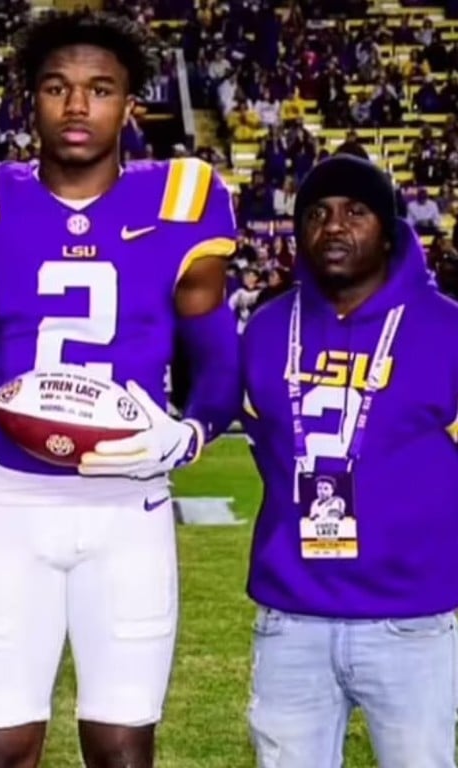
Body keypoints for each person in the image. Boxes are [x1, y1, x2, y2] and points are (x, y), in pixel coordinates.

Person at [0, 12, 242, 768]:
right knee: (0, 749)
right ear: (31, 99)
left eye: (100, 89)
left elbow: (219, 362)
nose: (78, 105)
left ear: (130, 104)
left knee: (122, 748)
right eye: (57, 87)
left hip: (130, 509)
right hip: (10, 505)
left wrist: (189, 434)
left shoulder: (183, 197)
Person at [242, 154, 458, 768]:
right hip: (291, 617)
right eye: (317, 214)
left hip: (411, 619)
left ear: (388, 231)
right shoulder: (266, 329)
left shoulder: (446, 330)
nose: (333, 226)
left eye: (355, 212)